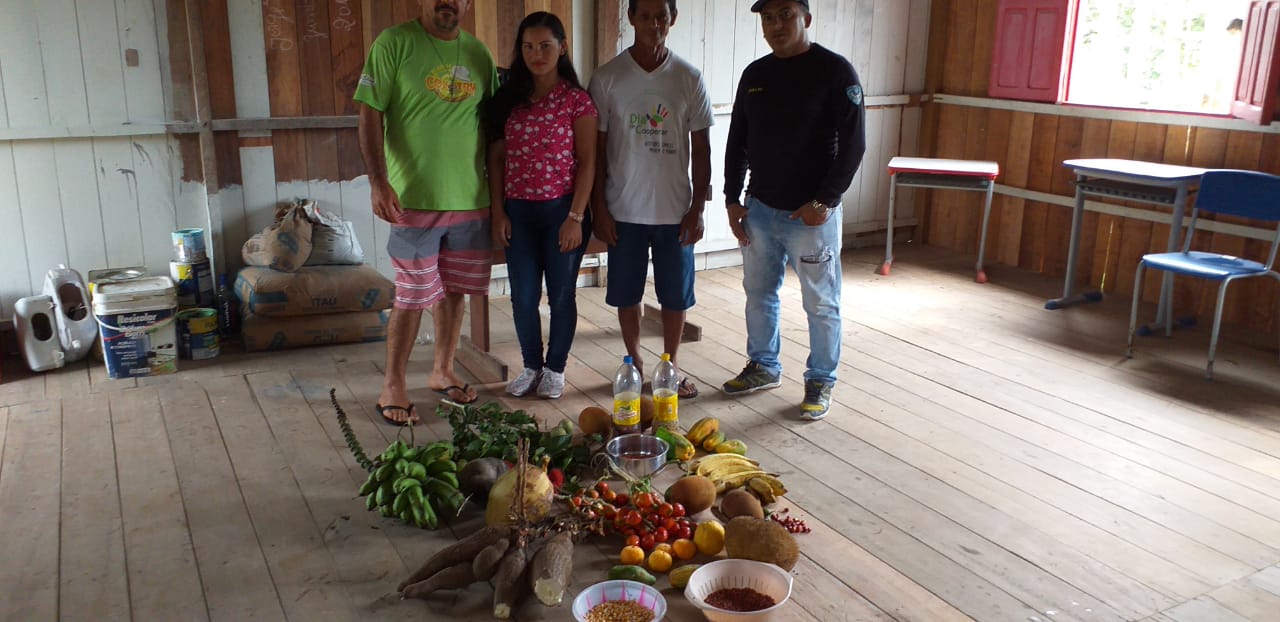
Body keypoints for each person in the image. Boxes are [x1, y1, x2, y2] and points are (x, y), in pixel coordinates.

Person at [354, 0, 498, 424]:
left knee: (454, 290)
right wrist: (378, 181)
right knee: (412, 294)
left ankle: (442, 370)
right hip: (413, 199)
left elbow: (494, 124)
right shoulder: (393, 43)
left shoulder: (478, 53)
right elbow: (370, 113)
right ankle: (392, 385)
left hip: (471, 197)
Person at [721, 0, 865, 421]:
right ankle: (763, 365)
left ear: (807, 19)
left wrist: (825, 201)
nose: (776, 25)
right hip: (760, 210)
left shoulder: (835, 71)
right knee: (758, 294)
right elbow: (737, 140)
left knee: (820, 303)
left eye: (785, 14)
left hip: (811, 216)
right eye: (768, 18)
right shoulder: (755, 75)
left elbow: (854, 145)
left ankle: (821, 379)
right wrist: (732, 199)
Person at [588, 0, 713, 397]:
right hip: (623, 209)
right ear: (631, 18)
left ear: (672, 19)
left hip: (674, 210)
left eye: (662, 16)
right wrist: (598, 207)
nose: (654, 24)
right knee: (626, 293)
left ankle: (670, 366)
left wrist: (697, 209)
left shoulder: (688, 77)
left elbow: (703, 150)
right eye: (645, 16)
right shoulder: (607, 77)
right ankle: (635, 362)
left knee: (675, 295)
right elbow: (596, 151)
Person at [484, 12, 597, 399]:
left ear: (562, 48)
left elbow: (588, 162)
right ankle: (532, 365)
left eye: (545, 46)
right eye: (528, 47)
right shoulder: (508, 100)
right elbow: (495, 158)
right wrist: (498, 211)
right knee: (523, 295)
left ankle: (555, 368)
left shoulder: (577, 100)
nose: (537, 54)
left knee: (561, 295)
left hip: (562, 212)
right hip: (518, 213)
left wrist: (575, 217)